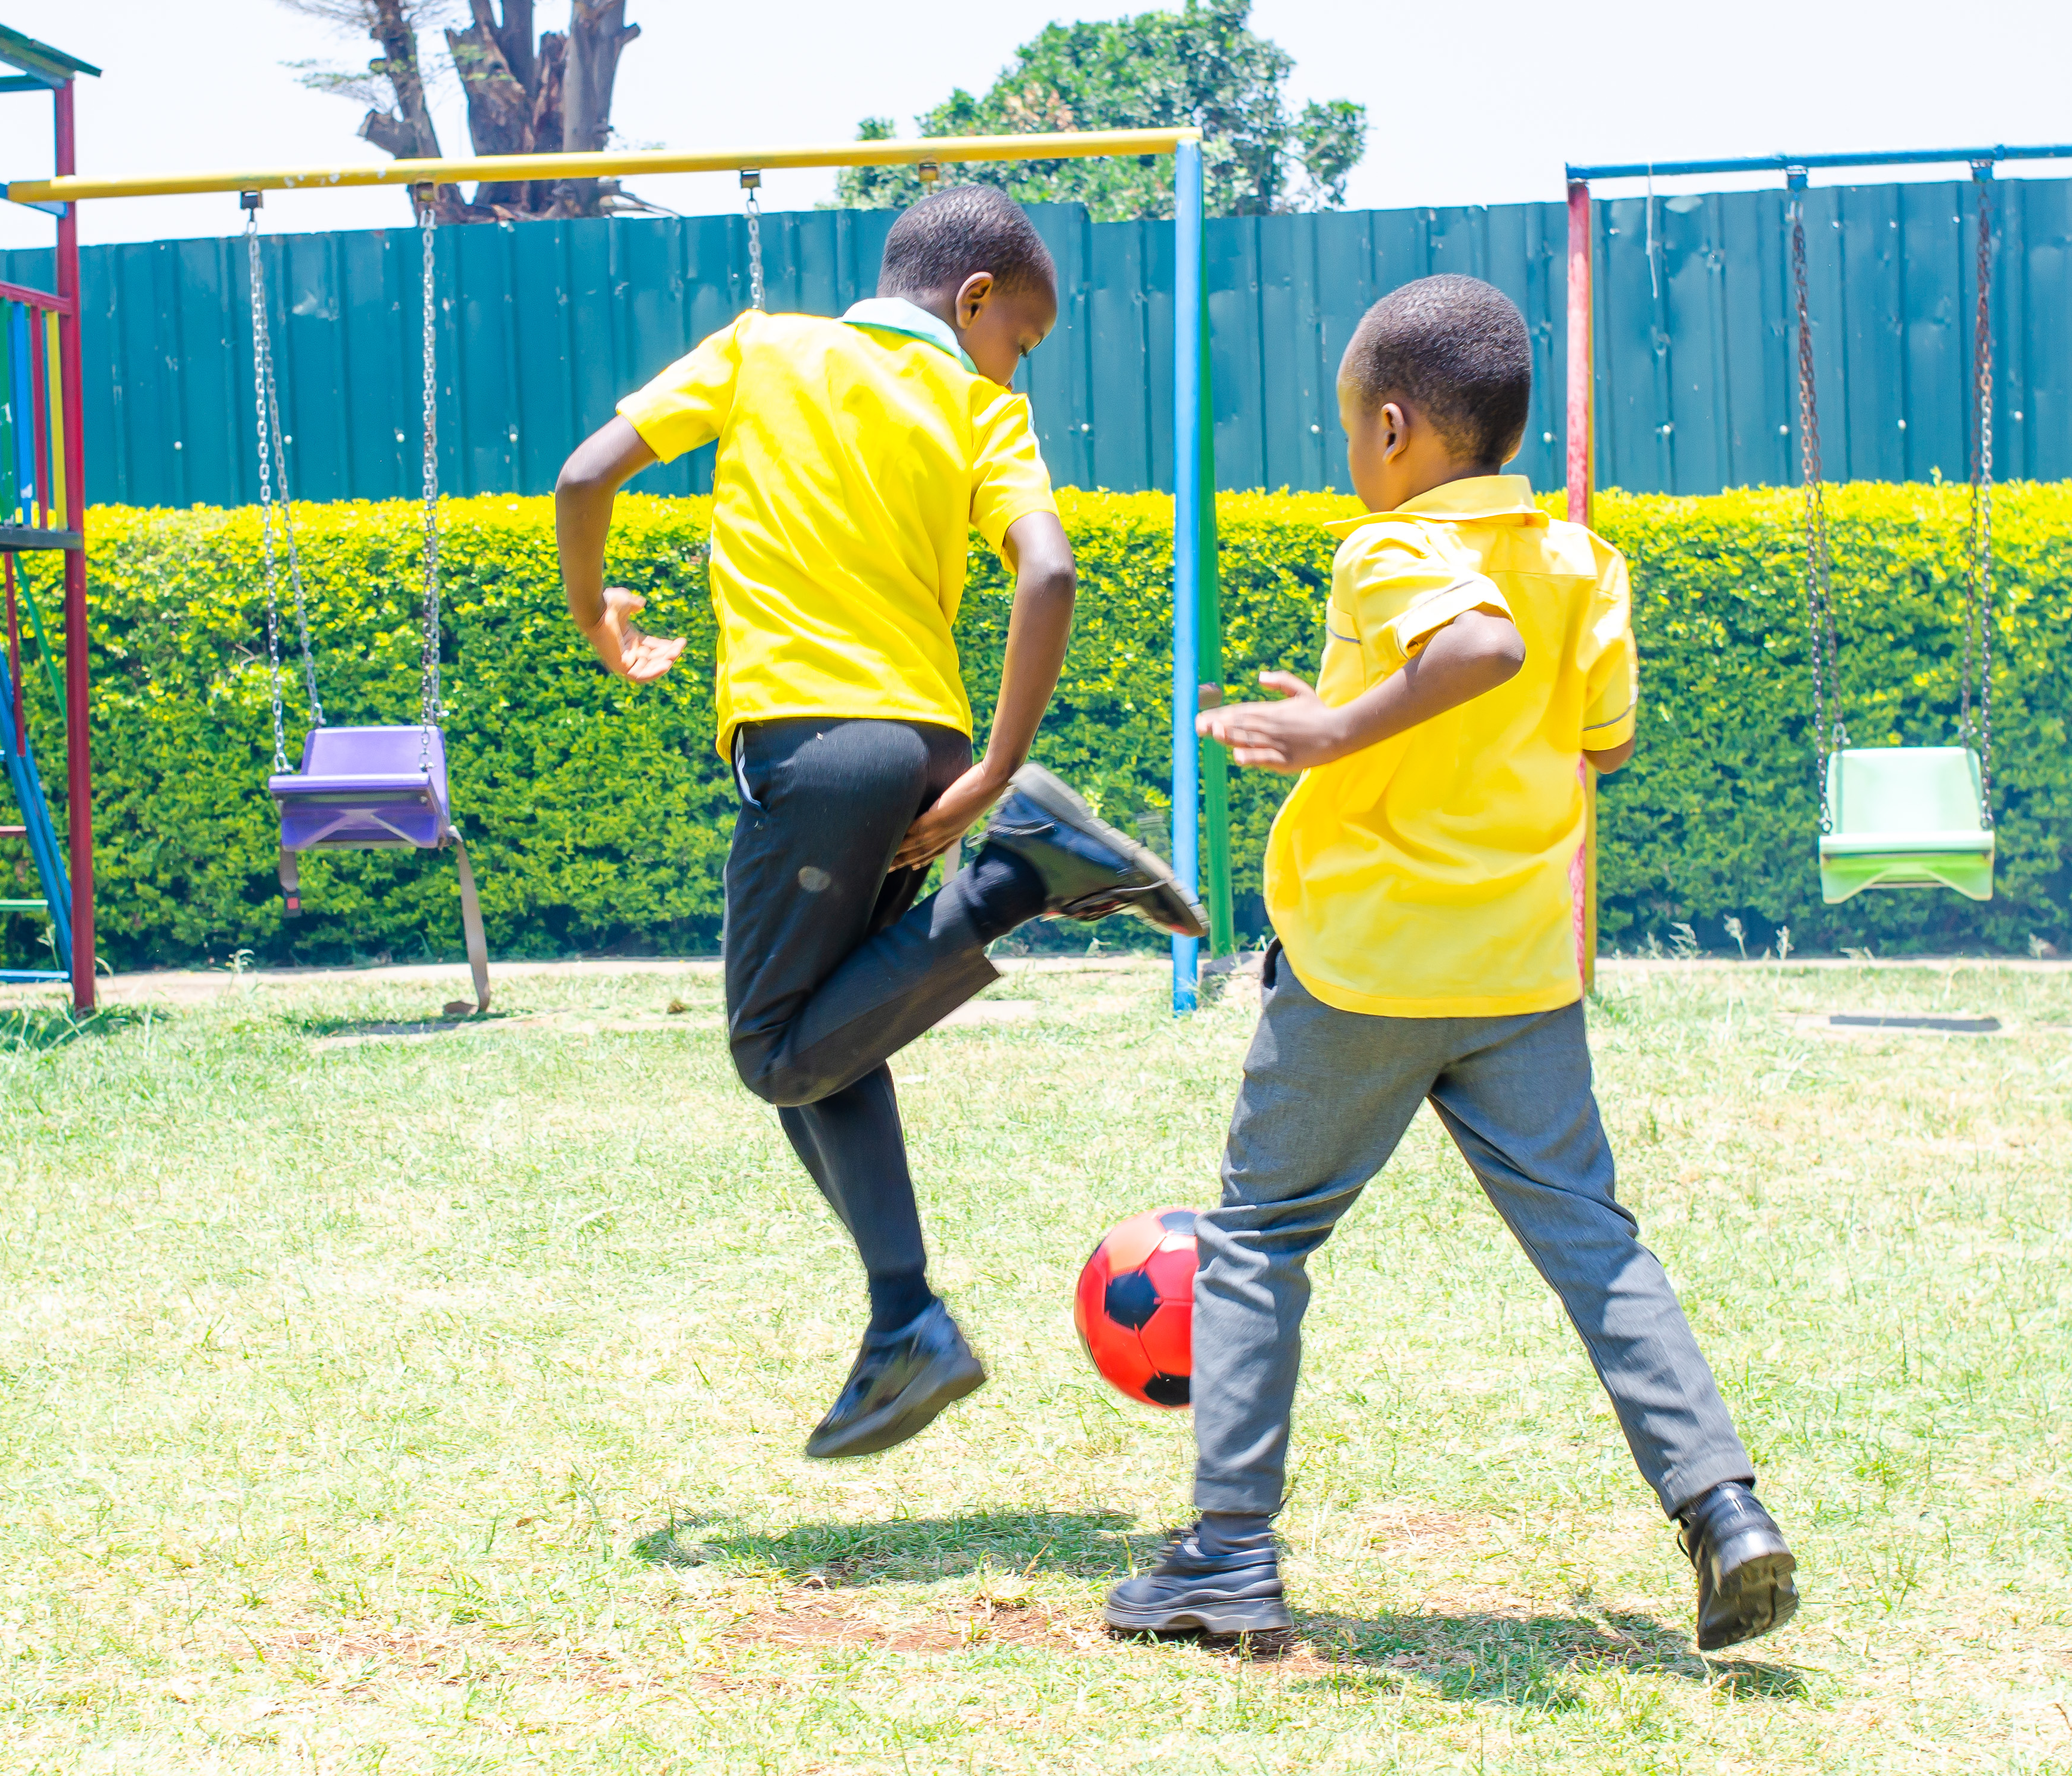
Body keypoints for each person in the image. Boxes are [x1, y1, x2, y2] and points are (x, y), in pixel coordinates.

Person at [1103, 275, 1797, 1654]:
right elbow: (1593, 740)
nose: (1349, 455)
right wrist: (1351, 713)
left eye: (1351, 428)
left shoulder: (1387, 551)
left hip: (1366, 971)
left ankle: (1228, 1559)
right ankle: (1724, 1511)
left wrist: (1334, 739)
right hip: (1519, 977)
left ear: (1401, 428)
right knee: (1596, 1249)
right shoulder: (1582, 561)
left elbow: (1471, 646)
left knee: (1253, 1241)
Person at [554, 185, 1206, 1460]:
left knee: (769, 1052)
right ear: (972, 305)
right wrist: (993, 762)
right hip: (923, 753)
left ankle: (1020, 879)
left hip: (814, 748)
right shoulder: (981, 407)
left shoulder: (760, 348)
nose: (1019, 360)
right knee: (825, 1030)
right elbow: (1049, 566)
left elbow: (587, 473)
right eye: (1022, 334)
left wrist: (598, 616)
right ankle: (904, 1321)